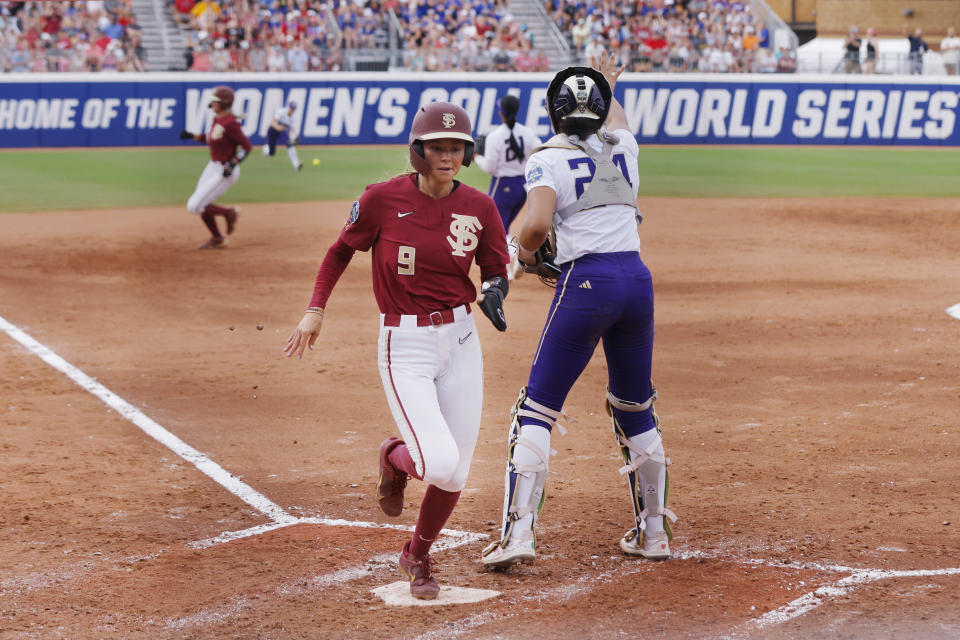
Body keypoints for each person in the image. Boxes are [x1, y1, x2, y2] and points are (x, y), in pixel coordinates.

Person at [283, 102, 510, 600]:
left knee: (457, 472)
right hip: (404, 344)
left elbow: (495, 268)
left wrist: (495, 290)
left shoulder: (481, 206)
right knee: (436, 462)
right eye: (437, 147)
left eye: (455, 147)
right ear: (418, 151)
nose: (447, 155)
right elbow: (340, 250)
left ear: (467, 153)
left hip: (462, 339)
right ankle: (393, 455)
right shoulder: (382, 200)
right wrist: (315, 309)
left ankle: (417, 554)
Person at [480, 52, 677, 569]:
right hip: (637, 280)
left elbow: (537, 226)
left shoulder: (547, 157)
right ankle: (654, 532)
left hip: (586, 283)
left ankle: (519, 535)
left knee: (537, 407)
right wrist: (606, 85)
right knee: (634, 405)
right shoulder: (626, 148)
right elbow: (618, 121)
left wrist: (522, 258)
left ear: (554, 113)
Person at [473, 94, 543, 280]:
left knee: (495, 231)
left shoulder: (495, 136)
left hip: (503, 186)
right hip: (523, 186)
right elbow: (540, 152)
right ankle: (513, 262)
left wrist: (477, 156)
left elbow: (489, 167)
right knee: (502, 228)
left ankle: (514, 260)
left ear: (501, 112)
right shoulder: (527, 132)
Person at [179, 85, 251, 249]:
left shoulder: (231, 123)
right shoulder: (217, 119)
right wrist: (192, 136)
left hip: (225, 170)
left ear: (223, 103)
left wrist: (233, 164)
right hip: (213, 167)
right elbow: (211, 139)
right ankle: (218, 238)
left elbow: (247, 147)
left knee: (194, 205)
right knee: (201, 203)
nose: (212, 103)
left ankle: (229, 213)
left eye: (215, 100)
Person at [262, 101, 303, 171]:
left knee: (289, 144)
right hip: (272, 130)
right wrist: (278, 128)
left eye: (293, 109)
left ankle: (296, 164)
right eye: (291, 108)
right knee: (271, 153)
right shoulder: (281, 112)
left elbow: (292, 130)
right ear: (288, 107)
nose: (292, 110)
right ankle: (266, 149)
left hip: (281, 132)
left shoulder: (294, 117)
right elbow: (272, 123)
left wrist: (294, 137)